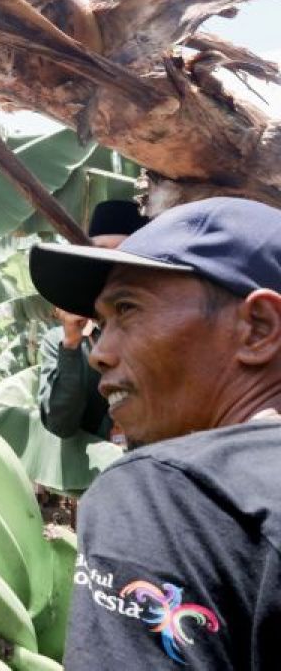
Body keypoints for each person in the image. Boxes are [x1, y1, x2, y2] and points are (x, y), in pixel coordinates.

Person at [29, 196, 281, 669]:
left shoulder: (163, 496)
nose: (99, 352)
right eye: (101, 325)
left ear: (259, 329)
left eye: (128, 308)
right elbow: (58, 417)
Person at [37, 200, 148, 442]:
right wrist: (71, 345)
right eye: (100, 251)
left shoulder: (161, 329)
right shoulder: (60, 342)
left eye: (119, 253)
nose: (107, 265)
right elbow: (60, 424)